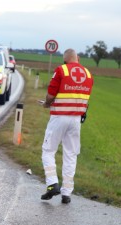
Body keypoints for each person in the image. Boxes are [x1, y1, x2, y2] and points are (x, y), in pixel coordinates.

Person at [40, 48, 93, 204]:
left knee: (48, 150)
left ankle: (52, 184)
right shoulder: (88, 74)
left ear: (65, 60)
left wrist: (47, 104)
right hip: (76, 120)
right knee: (71, 154)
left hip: (59, 117)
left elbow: (51, 94)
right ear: (78, 59)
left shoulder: (61, 70)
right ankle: (67, 193)